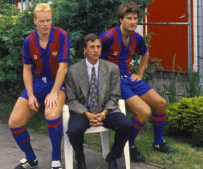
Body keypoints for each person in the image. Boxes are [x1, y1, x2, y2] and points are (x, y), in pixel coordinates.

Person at [99, 1, 176, 163]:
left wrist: (139, 74)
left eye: (135, 18)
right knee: (144, 112)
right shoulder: (107, 37)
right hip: (114, 82)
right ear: (121, 19)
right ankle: (130, 145)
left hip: (128, 77)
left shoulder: (136, 38)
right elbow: (92, 57)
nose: (133, 22)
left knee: (160, 103)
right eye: (129, 18)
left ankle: (158, 142)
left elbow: (145, 54)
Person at [8, 3, 70, 169]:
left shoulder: (62, 36)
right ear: (35, 20)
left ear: (52, 20)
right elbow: (27, 70)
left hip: (56, 83)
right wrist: (31, 95)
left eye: (48, 20)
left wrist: (54, 92)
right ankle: (30, 158)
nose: (45, 24)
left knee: (51, 113)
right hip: (36, 84)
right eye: (42, 21)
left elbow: (63, 67)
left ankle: (56, 159)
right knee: (14, 121)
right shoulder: (29, 41)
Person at [65, 33, 133, 169]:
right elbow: (71, 100)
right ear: (85, 50)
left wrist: (103, 113)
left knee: (127, 125)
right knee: (73, 130)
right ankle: (80, 159)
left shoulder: (112, 69)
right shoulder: (72, 71)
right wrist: (87, 114)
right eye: (92, 47)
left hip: (107, 110)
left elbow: (115, 96)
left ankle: (112, 157)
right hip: (83, 111)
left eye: (98, 47)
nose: (95, 50)